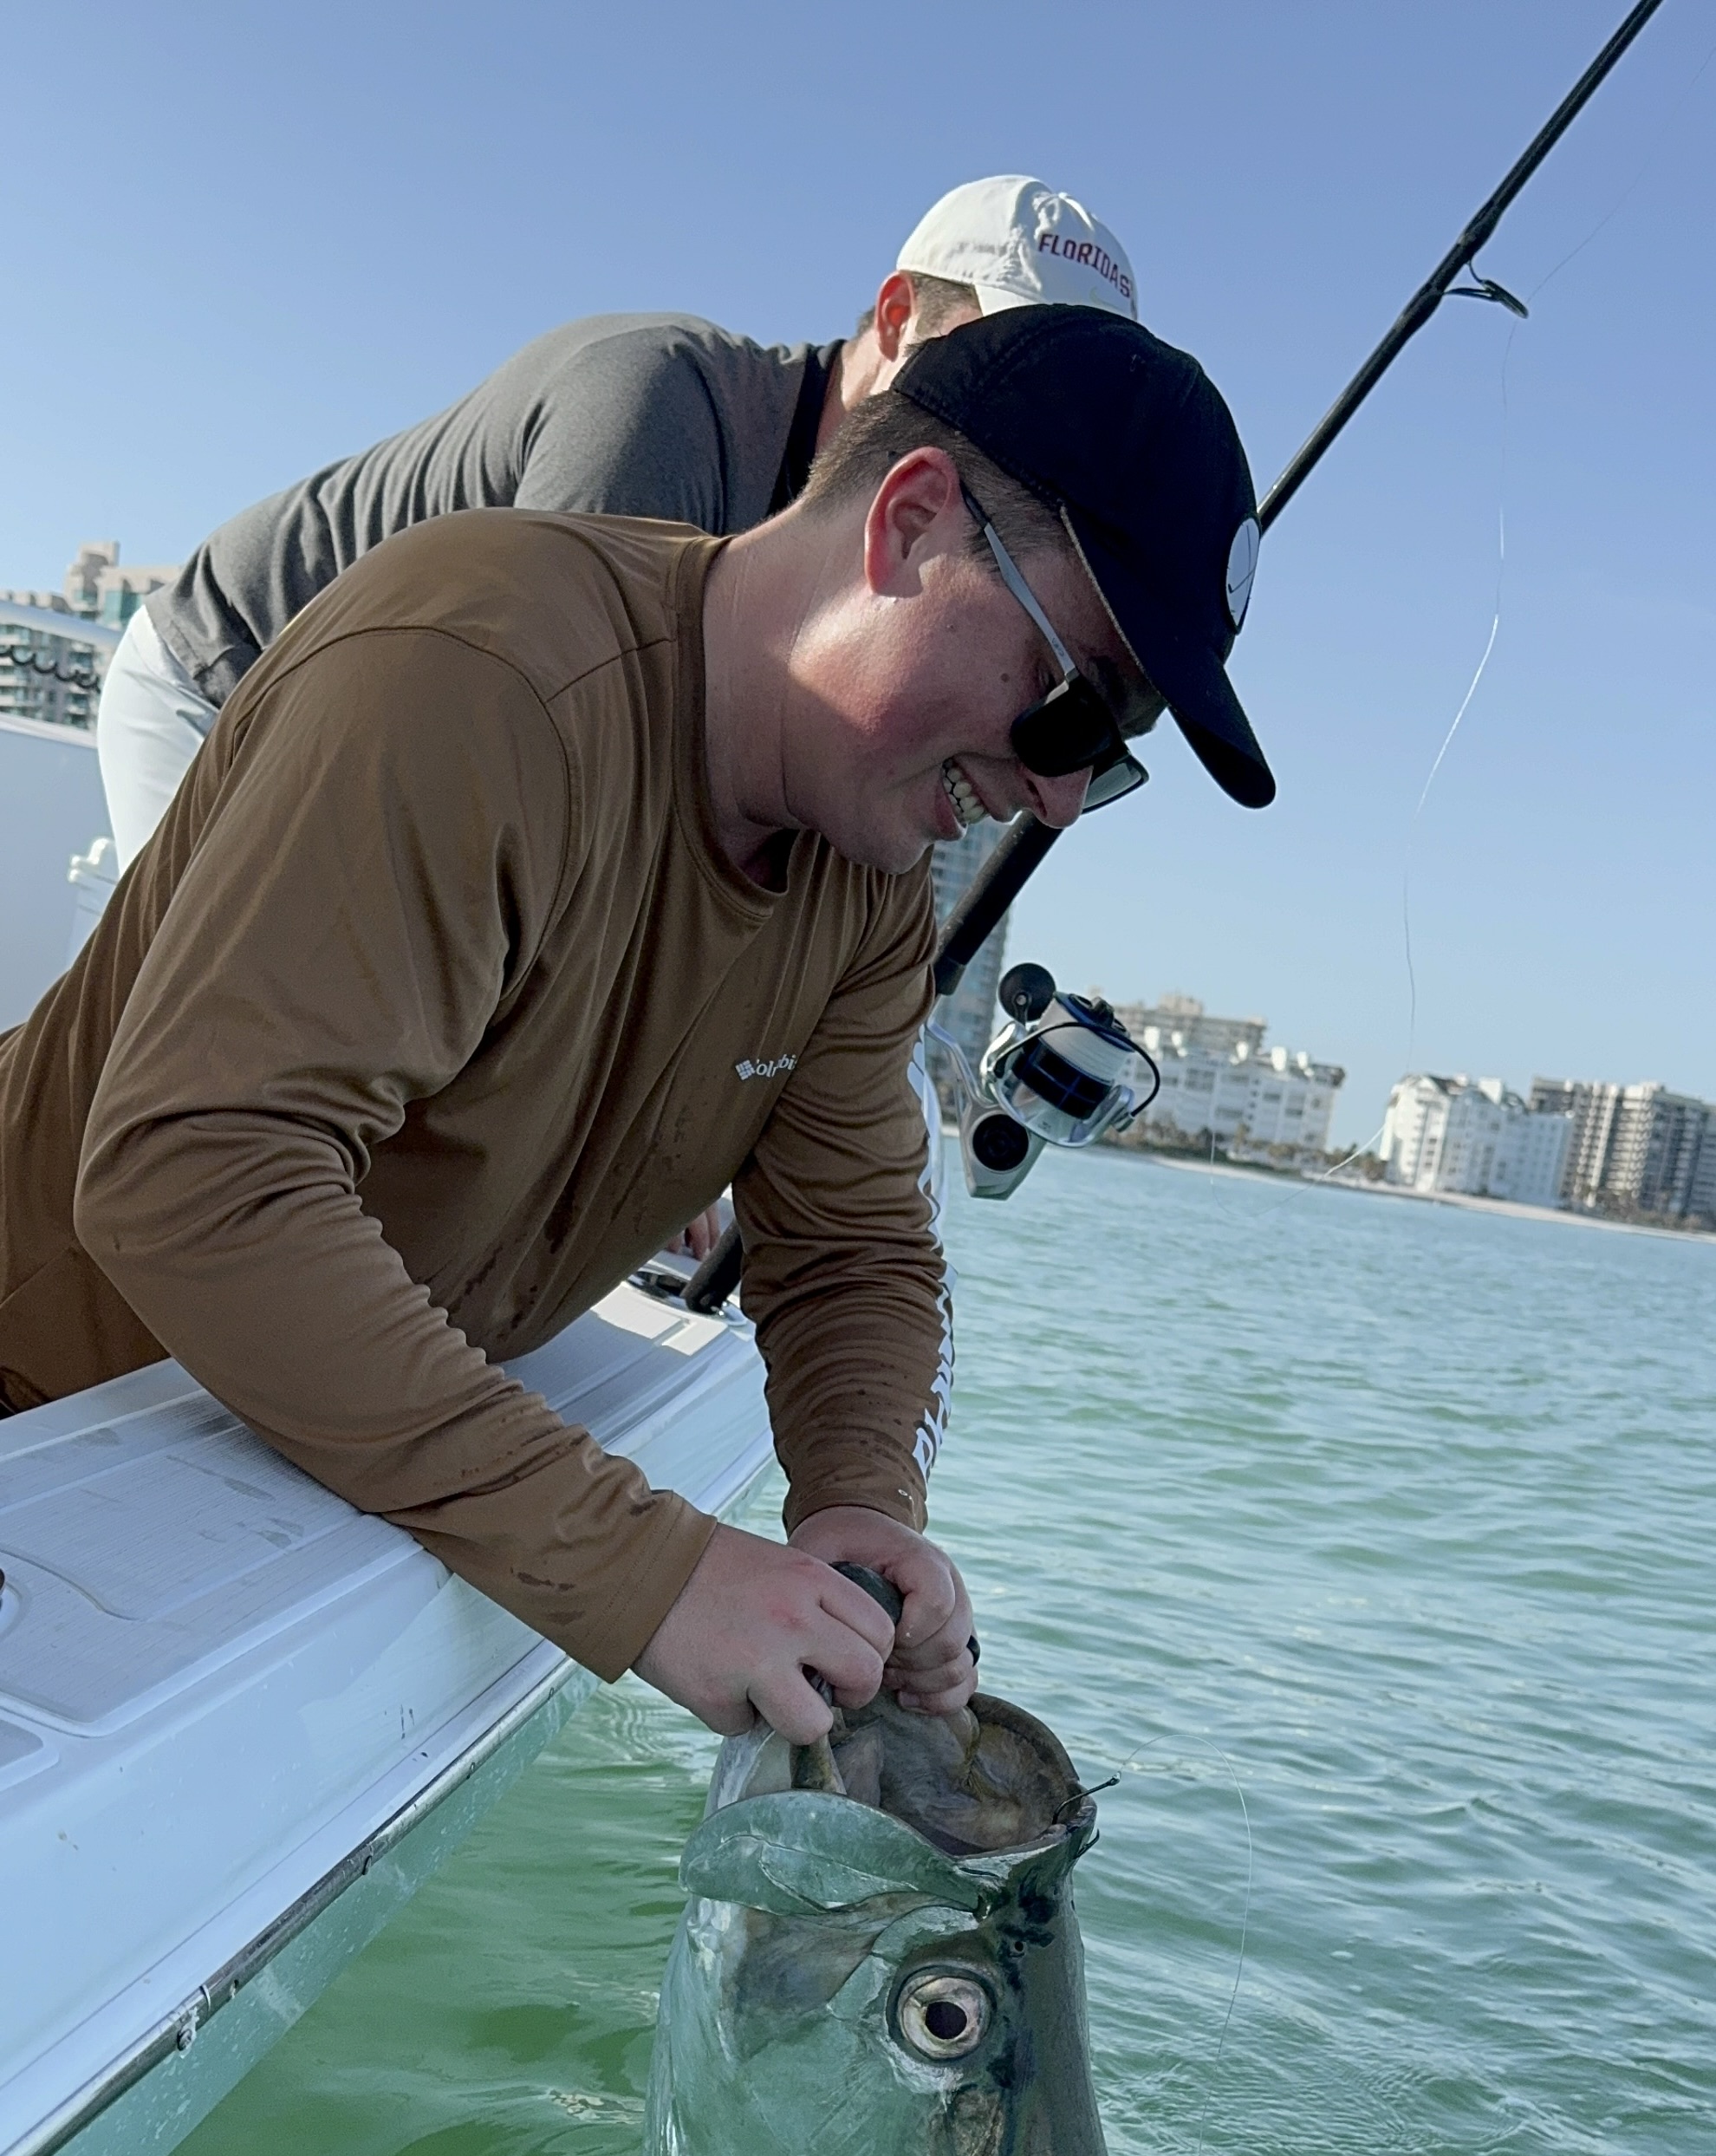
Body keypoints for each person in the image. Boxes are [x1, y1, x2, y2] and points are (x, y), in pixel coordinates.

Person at [0, 308, 1272, 1749]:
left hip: (258, 1478)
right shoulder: (479, 676)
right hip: (49, 1423)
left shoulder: (868, 893)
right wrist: (646, 1570)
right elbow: (195, 1179)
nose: (1055, 796)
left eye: (1108, 762)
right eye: (1073, 709)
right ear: (912, 524)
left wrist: (863, 1501)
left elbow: (856, 1252)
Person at [95, 176, 1141, 872]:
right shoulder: (658, 412)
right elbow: (535, 769)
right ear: (899, 317)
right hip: (230, 683)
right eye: (998, 370)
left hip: (404, 743)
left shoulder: (884, 545)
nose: (1022, 435)